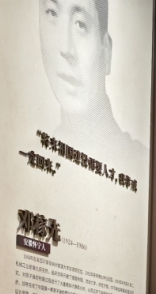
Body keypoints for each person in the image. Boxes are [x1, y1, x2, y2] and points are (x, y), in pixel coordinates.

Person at [38, 0, 148, 175]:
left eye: (80, 24)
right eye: (52, 13)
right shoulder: (30, 162)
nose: (65, 48)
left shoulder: (142, 167)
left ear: (106, 52)